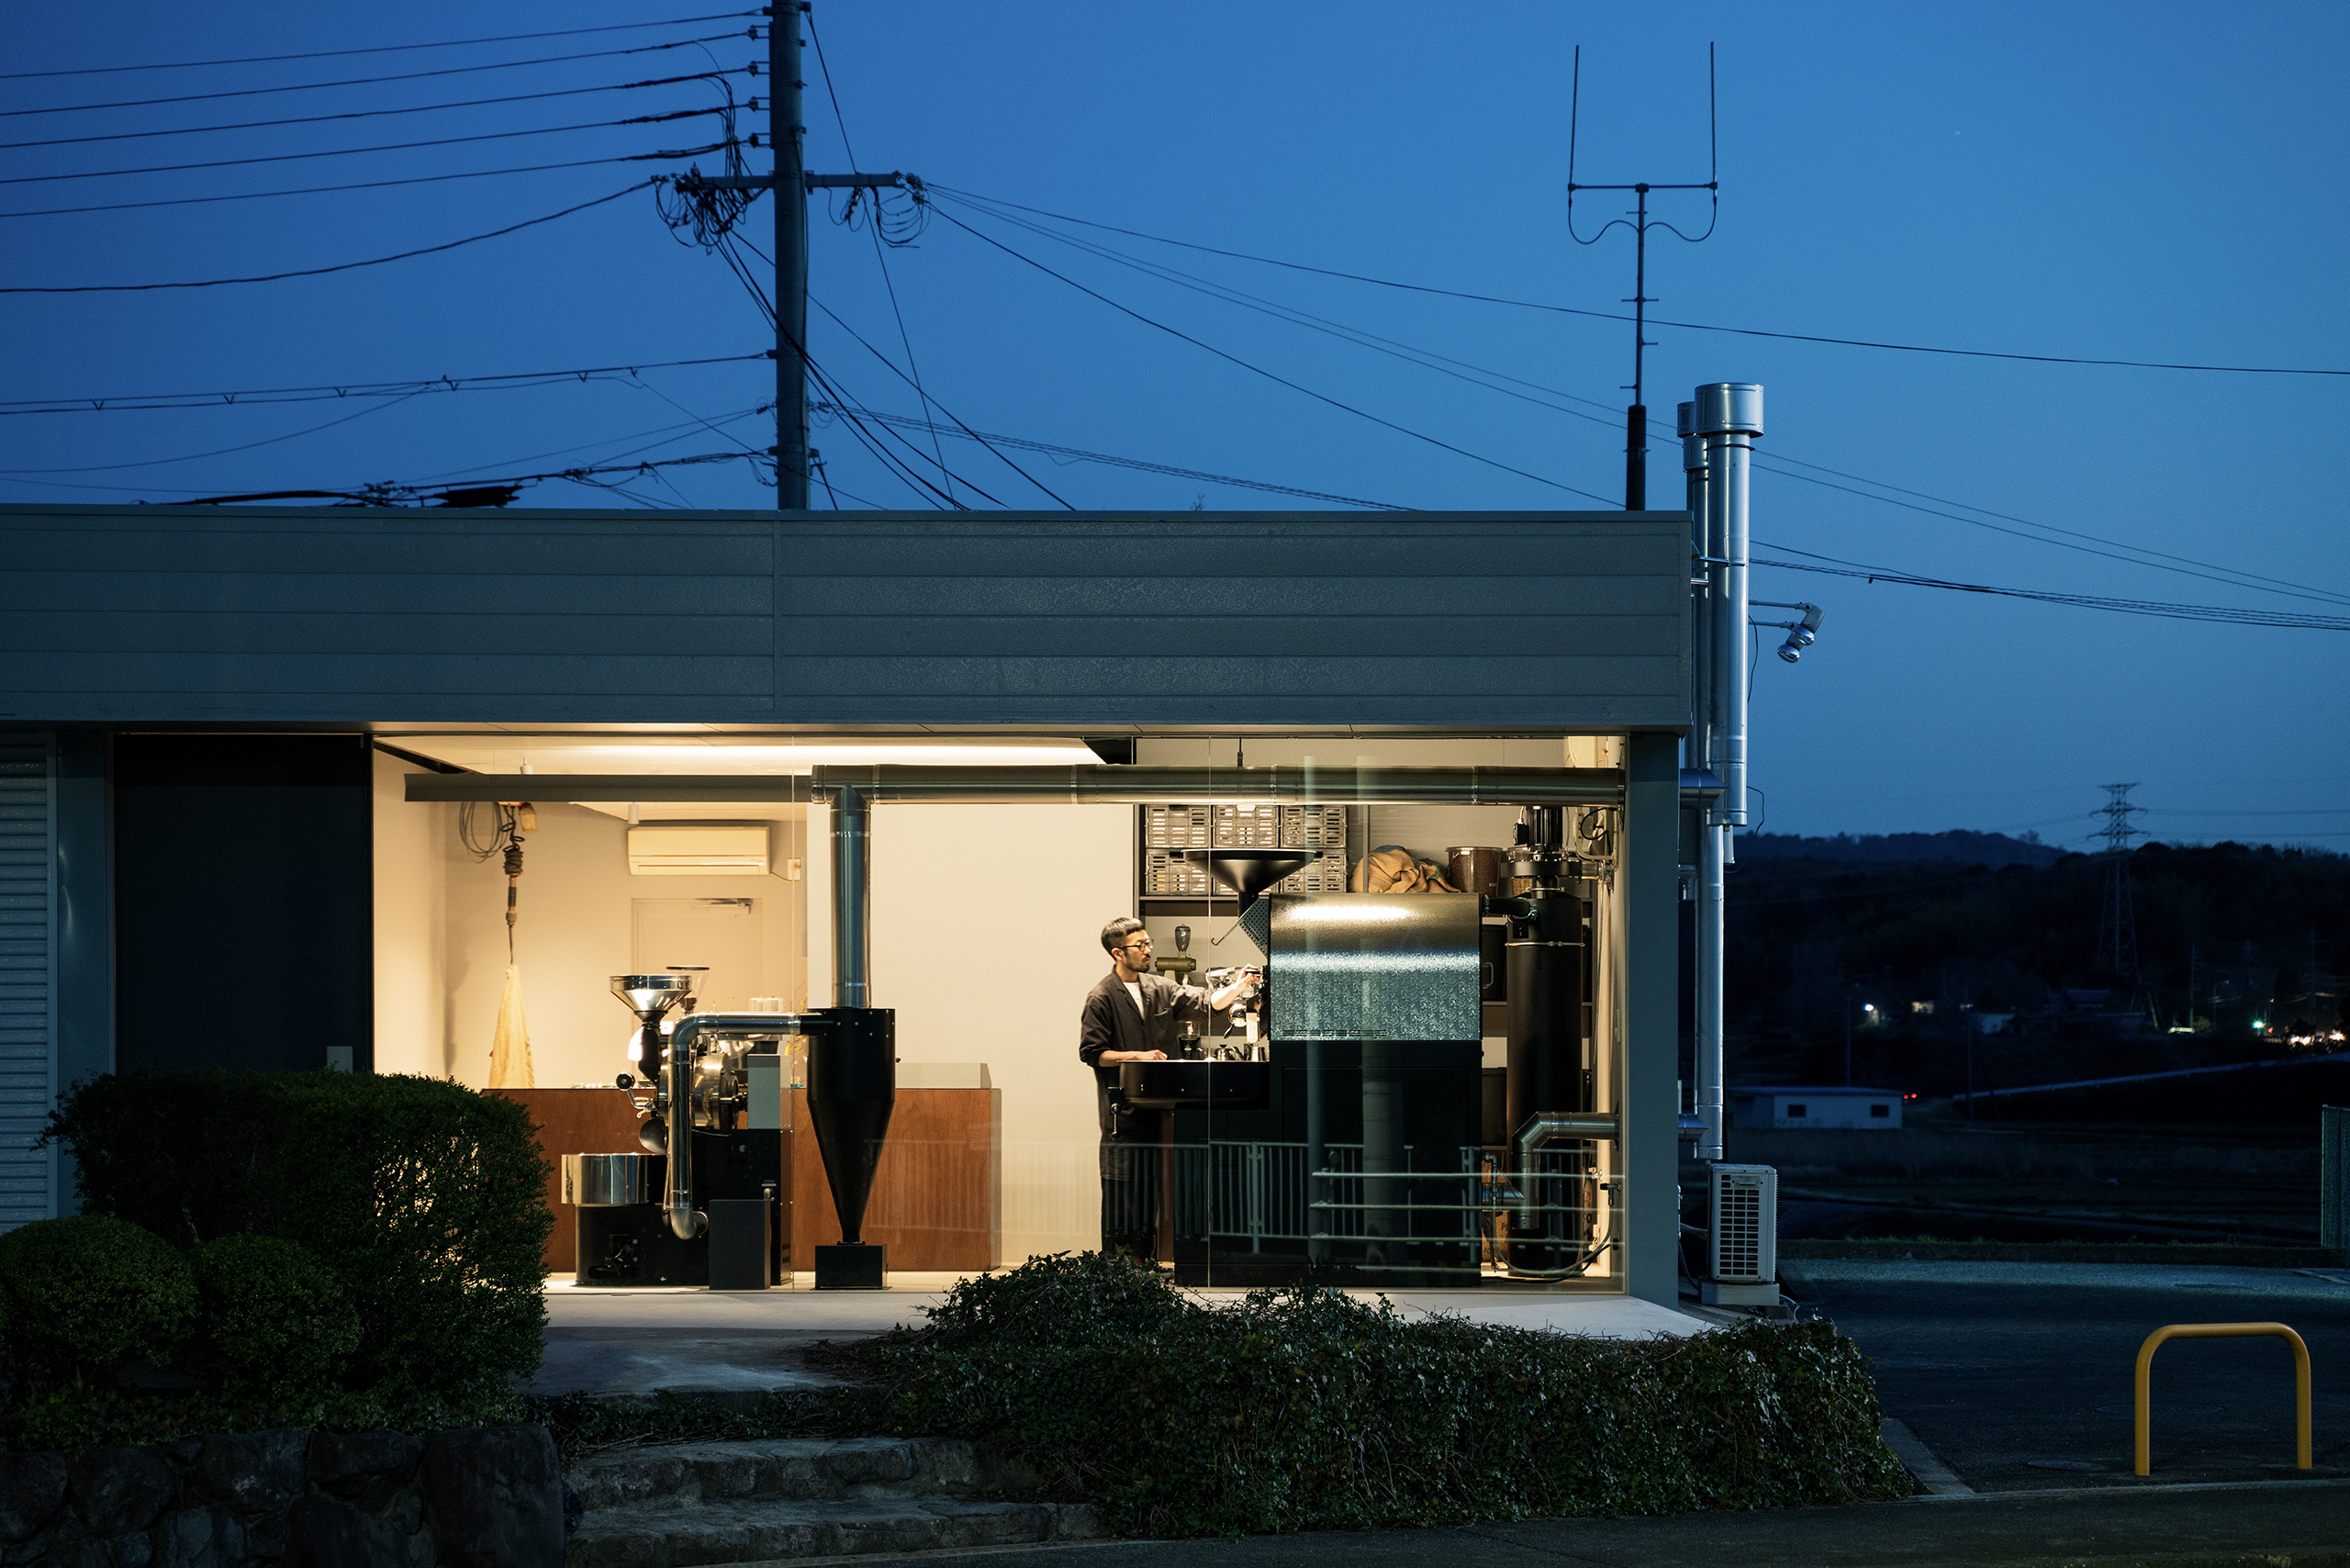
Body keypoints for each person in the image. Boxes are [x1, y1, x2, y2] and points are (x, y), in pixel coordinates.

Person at [1078, 916, 1258, 1260]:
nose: (1148, 950)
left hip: (1163, 1116)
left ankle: (1145, 1269)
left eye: (1148, 943)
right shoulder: (1101, 997)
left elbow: (1205, 1001)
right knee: (1123, 1198)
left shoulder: (1158, 987)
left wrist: (1238, 986)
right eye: (1140, 945)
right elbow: (1093, 1053)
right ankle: (1118, 1274)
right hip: (1125, 1119)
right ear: (1118, 953)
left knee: (1152, 1196)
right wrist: (1138, 1056)